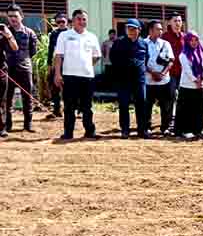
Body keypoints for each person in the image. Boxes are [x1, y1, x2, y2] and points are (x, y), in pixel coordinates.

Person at [53, 9, 101, 140]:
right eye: (79, 19)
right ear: (73, 21)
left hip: (87, 77)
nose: (82, 21)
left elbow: (97, 56)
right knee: (69, 106)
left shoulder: (92, 36)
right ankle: (68, 133)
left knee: (87, 107)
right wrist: (57, 74)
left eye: (84, 19)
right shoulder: (64, 35)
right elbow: (58, 56)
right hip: (69, 76)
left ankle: (89, 131)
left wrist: (86, 65)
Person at [109, 18, 149, 139]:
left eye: (133, 28)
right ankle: (125, 130)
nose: (130, 30)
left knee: (141, 104)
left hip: (139, 79)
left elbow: (146, 58)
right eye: (128, 28)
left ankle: (142, 130)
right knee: (124, 104)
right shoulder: (119, 42)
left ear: (139, 30)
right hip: (123, 79)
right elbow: (112, 58)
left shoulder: (144, 44)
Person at [3, 4, 38, 133]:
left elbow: (33, 51)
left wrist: (23, 60)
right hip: (8, 69)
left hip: (25, 69)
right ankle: (7, 125)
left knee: (27, 97)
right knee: (7, 99)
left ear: (21, 16)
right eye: (10, 16)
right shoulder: (3, 33)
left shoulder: (30, 33)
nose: (12, 18)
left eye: (15, 16)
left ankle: (28, 124)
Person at [144, 19, 175, 135]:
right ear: (150, 30)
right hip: (148, 80)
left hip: (164, 80)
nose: (161, 31)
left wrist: (162, 74)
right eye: (158, 29)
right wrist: (152, 73)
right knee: (147, 106)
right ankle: (147, 127)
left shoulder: (165, 44)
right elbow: (140, 61)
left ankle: (165, 128)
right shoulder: (143, 43)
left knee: (166, 106)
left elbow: (171, 60)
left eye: (161, 29)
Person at [175, 31, 203, 139]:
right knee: (186, 110)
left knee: (198, 109)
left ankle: (197, 130)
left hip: (200, 85)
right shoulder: (183, 55)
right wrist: (196, 80)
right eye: (191, 40)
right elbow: (187, 70)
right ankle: (185, 130)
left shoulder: (202, 53)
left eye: (196, 40)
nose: (194, 42)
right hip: (187, 86)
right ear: (187, 41)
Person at [45, 13, 69, 120]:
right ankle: (56, 110)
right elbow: (50, 50)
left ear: (66, 21)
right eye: (58, 22)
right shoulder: (54, 34)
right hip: (57, 63)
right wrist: (49, 65)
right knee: (55, 88)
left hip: (69, 64)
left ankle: (71, 110)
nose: (61, 23)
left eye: (63, 21)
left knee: (69, 88)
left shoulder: (71, 33)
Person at [163, 12, 185, 128]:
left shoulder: (184, 37)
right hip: (170, 72)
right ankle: (169, 120)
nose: (177, 23)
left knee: (182, 97)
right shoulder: (164, 37)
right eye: (175, 21)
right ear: (169, 22)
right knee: (170, 96)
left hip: (183, 72)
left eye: (179, 21)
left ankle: (180, 120)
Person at [0, 13, 20, 138]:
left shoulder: (2, 30)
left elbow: (15, 47)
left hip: (1, 70)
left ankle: (1, 128)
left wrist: (9, 36)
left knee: (2, 101)